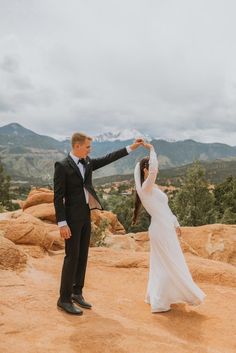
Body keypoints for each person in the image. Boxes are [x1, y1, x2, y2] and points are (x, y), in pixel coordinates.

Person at [54, 132, 143, 315]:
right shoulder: (62, 166)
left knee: (83, 255)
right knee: (71, 257)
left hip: (86, 216)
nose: (90, 150)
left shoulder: (87, 162)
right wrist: (62, 223)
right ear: (77, 146)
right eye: (87, 147)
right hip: (70, 219)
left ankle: (77, 293)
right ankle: (63, 299)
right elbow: (58, 197)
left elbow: (108, 158)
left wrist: (131, 148)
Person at [132, 142, 206, 313]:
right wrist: (151, 150)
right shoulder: (146, 187)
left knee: (163, 264)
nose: (154, 171)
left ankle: (156, 297)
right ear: (146, 170)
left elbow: (165, 209)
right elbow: (154, 170)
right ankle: (159, 301)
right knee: (168, 263)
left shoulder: (150, 188)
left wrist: (175, 223)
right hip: (160, 230)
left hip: (165, 228)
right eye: (149, 168)